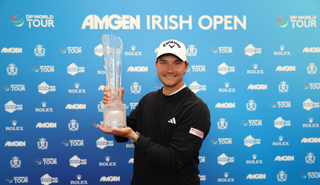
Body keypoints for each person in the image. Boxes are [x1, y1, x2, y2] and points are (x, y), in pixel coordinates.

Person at [98, 39, 211, 185]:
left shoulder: (196, 109)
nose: (169, 69)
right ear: (156, 65)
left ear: (186, 67)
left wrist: (134, 137)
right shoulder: (148, 99)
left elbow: (173, 159)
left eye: (176, 63)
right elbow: (121, 136)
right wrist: (115, 108)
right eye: (164, 62)